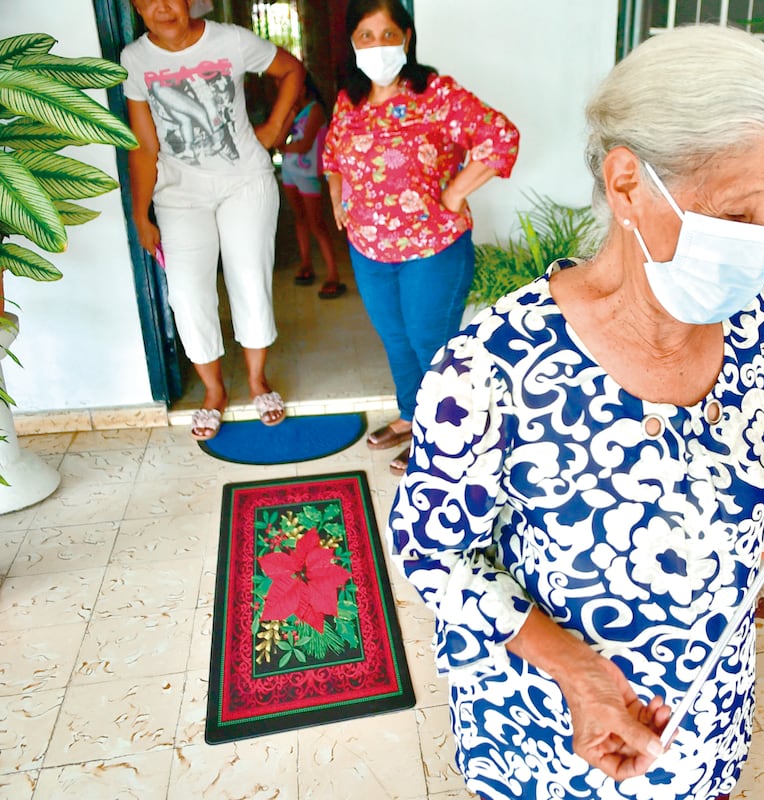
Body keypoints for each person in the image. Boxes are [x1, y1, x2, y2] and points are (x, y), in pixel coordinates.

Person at [390, 24, 764, 800]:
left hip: (708, 712)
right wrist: (578, 672)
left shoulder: (755, 328)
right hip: (551, 728)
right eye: (737, 216)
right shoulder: (493, 366)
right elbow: (432, 557)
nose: (757, 248)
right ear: (626, 183)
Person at [322, 0, 519, 475]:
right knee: (395, 339)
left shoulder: (435, 93)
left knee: (431, 341)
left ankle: (441, 438)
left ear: (406, 37)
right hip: (369, 248)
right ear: (353, 43)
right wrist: (337, 198)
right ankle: (414, 418)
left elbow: (501, 137)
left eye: (386, 34)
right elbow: (331, 153)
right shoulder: (349, 99)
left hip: (432, 249)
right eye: (365, 36)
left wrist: (454, 193)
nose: (376, 45)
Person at [123, 0, 304, 440]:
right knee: (186, 293)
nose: (160, 8)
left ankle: (258, 381)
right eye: (147, 1)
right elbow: (144, 145)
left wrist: (273, 130)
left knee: (249, 278)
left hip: (245, 180)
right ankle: (214, 391)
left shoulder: (231, 40)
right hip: (178, 194)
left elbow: (291, 70)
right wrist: (139, 211)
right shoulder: (136, 59)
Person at [278, 75, 342, 298]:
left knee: (317, 223)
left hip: (307, 173)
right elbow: (278, 139)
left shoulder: (315, 110)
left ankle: (333, 274)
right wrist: (290, 116)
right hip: (290, 171)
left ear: (303, 87)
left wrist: (285, 148)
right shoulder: (293, 111)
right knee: (300, 219)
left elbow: (303, 145)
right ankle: (306, 264)